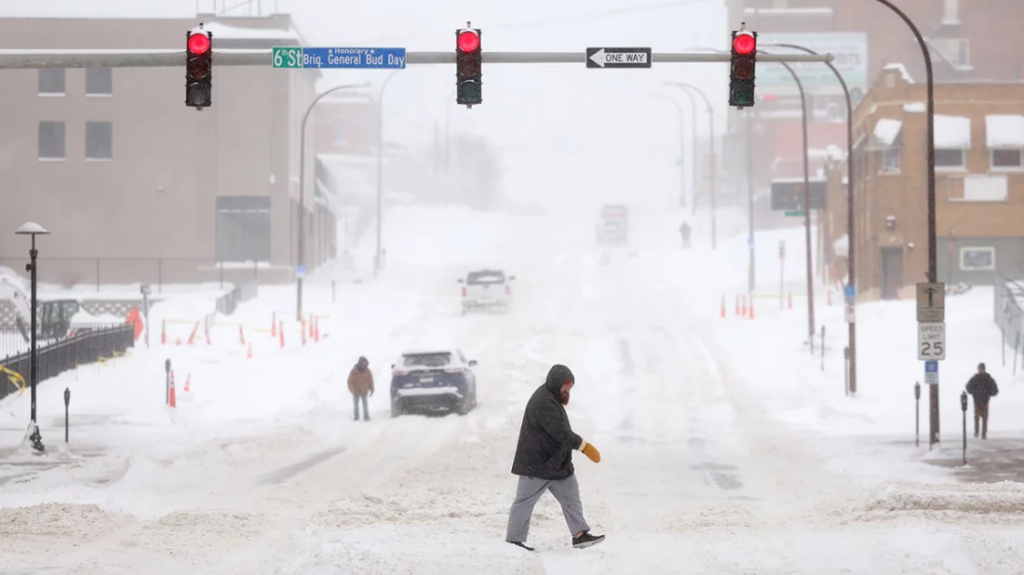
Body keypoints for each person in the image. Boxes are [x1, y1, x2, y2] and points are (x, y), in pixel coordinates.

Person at [506, 364, 604, 551]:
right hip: (536, 464)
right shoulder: (543, 402)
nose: (568, 390)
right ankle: (514, 541)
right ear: (556, 383)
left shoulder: (551, 397)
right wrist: (584, 446)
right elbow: (561, 433)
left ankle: (580, 535)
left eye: (570, 386)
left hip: (555, 463)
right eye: (565, 386)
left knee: (571, 496)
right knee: (524, 502)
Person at [965, 362, 998, 439]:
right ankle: (977, 432)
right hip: (977, 401)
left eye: (981, 368)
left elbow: (995, 390)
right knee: (977, 418)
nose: (980, 370)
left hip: (984, 401)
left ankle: (983, 433)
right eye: (979, 368)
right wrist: (975, 393)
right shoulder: (976, 378)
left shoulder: (987, 379)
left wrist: (988, 394)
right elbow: (968, 387)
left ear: (983, 369)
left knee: (984, 418)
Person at [347, 356, 374, 421]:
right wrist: (352, 389)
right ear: (360, 363)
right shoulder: (354, 371)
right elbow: (349, 381)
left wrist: (372, 389)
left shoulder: (368, 371)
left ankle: (366, 417)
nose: (365, 365)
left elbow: (370, 380)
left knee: (365, 404)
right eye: (363, 363)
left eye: (366, 364)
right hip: (355, 391)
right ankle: (356, 417)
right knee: (356, 404)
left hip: (364, 390)